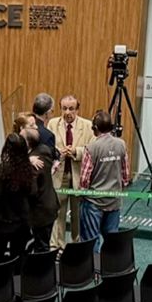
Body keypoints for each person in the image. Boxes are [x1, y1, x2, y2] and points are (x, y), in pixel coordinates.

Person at [0, 130, 37, 264]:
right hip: (21, 223)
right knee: (18, 261)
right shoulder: (29, 169)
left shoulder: (2, 170)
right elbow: (33, 193)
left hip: (2, 223)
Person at [78, 109, 130, 249]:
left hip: (93, 203)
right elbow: (125, 175)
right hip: (114, 200)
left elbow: (84, 180)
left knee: (91, 242)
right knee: (112, 242)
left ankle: (94, 264)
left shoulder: (91, 148)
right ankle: (110, 263)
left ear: (95, 128)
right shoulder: (121, 144)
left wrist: (82, 194)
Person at [52, 94, 94, 246]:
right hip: (60, 175)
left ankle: (76, 244)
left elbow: (92, 149)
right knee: (58, 213)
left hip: (78, 175)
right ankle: (58, 246)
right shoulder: (52, 124)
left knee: (78, 213)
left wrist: (76, 152)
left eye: (71, 109)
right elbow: (49, 147)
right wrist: (59, 152)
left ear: (77, 109)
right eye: (64, 108)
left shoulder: (88, 126)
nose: (67, 112)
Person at [19, 111, 60, 253]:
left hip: (41, 211)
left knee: (41, 249)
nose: (37, 128)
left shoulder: (40, 152)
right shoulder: (28, 153)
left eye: (35, 124)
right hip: (39, 211)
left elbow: (31, 189)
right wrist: (25, 159)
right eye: (32, 125)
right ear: (21, 130)